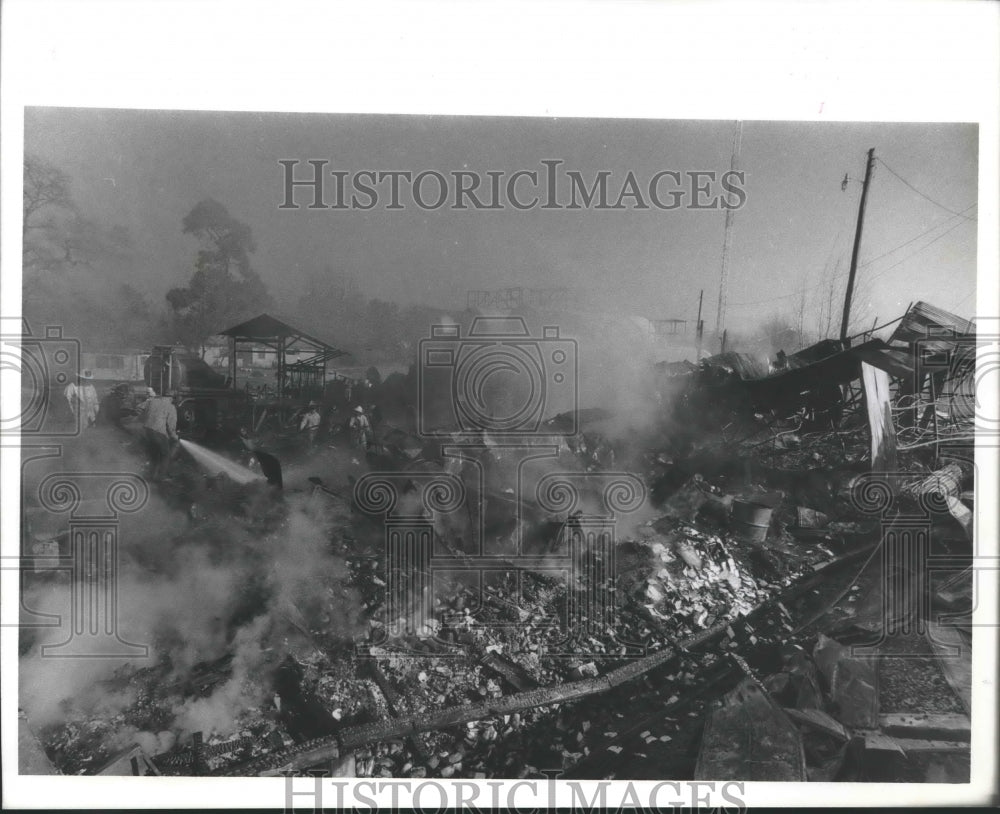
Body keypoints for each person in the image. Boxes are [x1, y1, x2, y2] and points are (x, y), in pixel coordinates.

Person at [139, 391, 178, 481]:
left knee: (153, 454)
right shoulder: (171, 407)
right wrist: (174, 437)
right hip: (158, 432)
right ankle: (161, 477)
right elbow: (171, 426)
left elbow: (139, 407)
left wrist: (145, 416)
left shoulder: (152, 401)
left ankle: (149, 476)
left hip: (147, 430)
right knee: (166, 454)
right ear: (171, 398)